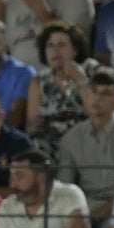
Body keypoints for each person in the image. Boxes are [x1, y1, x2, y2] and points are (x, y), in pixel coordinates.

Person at [57, 67, 114, 225]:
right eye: (93, 91)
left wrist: (99, 214)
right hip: (82, 205)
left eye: (106, 94)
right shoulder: (71, 138)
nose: (97, 98)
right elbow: (66, 188)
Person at [0, 147, 89, 228]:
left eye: (19, 176)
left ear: (41, 177)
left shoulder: (68, 194)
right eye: (12, 177)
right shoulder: (8, 206)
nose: (12, 185)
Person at [24, 20, 94, 163]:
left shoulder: (91, 71)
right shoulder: (39, 80)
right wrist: (35, 125)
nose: (55, 51)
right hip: (51, 145)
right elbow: (30, 127)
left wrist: (80, 79)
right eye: (50, 46)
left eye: (61, 45)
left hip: (85, 142)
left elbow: (96, 111)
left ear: (75, 49)